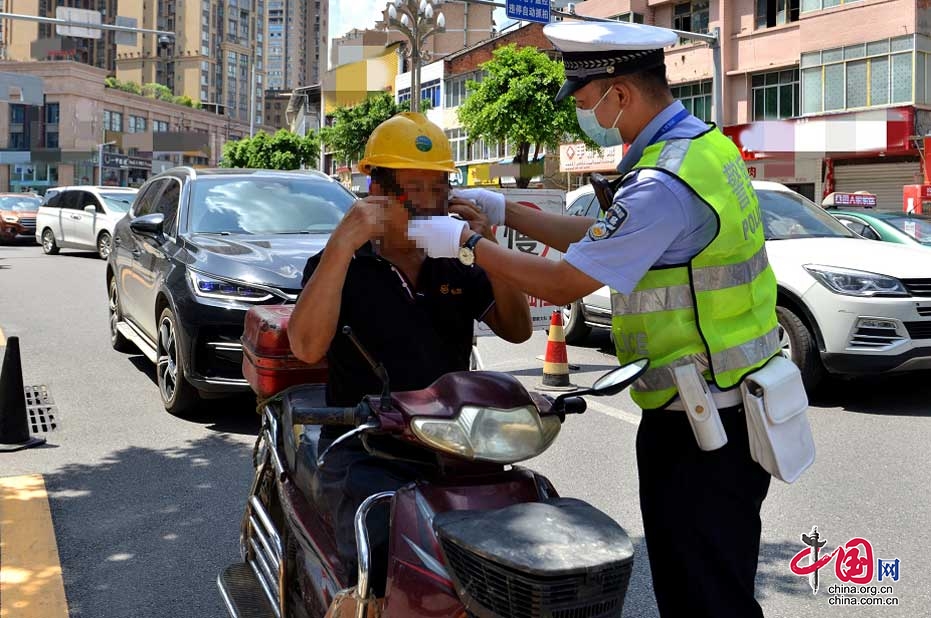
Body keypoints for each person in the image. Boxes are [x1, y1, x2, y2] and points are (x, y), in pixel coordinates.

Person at [410, 20, 780, 618]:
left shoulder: (663, 181)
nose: (589, 117)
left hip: (703, 425)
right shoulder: (700, 149)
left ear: (622, 93)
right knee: (713, 582)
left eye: (587, 102)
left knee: (704, 597)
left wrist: (468, 246)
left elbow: (567, 280)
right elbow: (601, 237)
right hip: (729, 404)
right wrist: (508, 212)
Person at [287, 111, 532, 594]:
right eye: (411, 191)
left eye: (437, 190)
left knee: (518, 533)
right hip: (365, 447)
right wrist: (342, 243)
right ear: (376, 192)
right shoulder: (342, 263)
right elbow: (306, 345)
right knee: (385, 559)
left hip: (457, 443)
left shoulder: (455, 259)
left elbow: (518, 329)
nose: (426, 206)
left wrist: (489, 246)